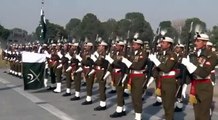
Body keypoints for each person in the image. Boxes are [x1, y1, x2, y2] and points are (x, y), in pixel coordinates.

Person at [181, 33, 217, 120]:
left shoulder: (211, 55)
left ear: (205, 42)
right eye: (195, 41)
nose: (195, 43)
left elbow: (203, 73)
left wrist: (188, 64)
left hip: (205, 86)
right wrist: (184, 86)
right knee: (197, 114)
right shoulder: (193, 55)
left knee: (203, 115)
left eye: (198, 41)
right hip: (195, 85)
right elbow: (190, 73)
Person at [149, 37, 178, 120]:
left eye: (163, 42)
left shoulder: (172, 55)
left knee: (169, 104)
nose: (161, 44)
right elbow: (156, 68)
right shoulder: (161, 54)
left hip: (169, 81)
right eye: (161, 42)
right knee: (165, 104)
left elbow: (166, 68)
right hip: (162, 80)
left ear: (169, 45)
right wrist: (155, 73)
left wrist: (156, 60)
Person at [122, 38, 148, 120]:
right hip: (132, 76)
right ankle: (137, 113)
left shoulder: (143, 54)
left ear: (139, 45)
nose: (133, 46)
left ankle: (138, 116)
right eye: (133, 44)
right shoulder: (133, 53)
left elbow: (138, 66)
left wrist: (127, 62)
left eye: (135, 44)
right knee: (133, 96)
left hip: (139, 77)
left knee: (137, 97)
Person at [105, 40, 128, 118]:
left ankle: (119, 111)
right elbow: (112, 65)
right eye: (116, 45)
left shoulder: (124, 54)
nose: (116, 47)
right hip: (115, 74)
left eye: (118, 46)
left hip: (121, 74)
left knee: (119, 93)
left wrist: (110, 60)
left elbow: (120, 64)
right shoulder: (116, 53)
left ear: (121, 47)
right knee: (119, 92)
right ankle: (123, 109)